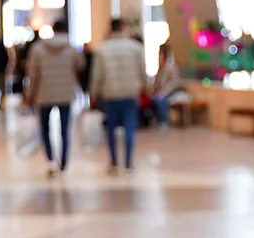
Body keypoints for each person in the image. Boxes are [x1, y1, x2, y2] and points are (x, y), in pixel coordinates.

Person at [24, 19, 81, 174]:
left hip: (44, 93)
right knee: (65, 130)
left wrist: (29, 95)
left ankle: (50, 158)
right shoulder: (71, 49)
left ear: (53, 30)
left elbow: (33, 74)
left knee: (44, 128)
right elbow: (80, 66)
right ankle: (63, 162)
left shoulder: (38, 49)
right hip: (66, 93)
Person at [90, 17, 146, 171]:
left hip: (110, 93)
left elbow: (97, 75)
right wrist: (145, 86)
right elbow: (142, 70)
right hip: (130, 92)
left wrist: (94, 92)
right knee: (129, 127)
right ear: (123, 28)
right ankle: (128, 162)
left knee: (111, 128)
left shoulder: (102, 49)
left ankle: (114, 161)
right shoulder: (135, 48)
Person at [149, 40, 182, 126]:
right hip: (159, 91)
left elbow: (174, 83)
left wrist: (163, 91)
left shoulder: (171, 68)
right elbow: (156, 83)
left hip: (169, 92)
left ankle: (164, 121)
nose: (159, 59)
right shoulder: (160, 69)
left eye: (160, 56)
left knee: (160, 100)